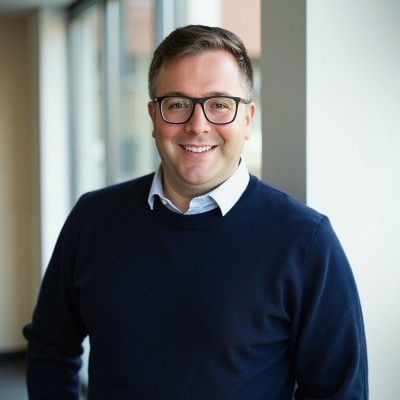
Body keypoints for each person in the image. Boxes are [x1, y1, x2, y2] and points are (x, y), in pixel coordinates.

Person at [23, 25, 368, 399]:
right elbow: (50, 346)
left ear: (247, 119)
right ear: (154, 117)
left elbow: (339, 391)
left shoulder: (306, 241)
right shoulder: (93, 219)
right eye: (177, 104)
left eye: (219, 104)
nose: (198, 125)